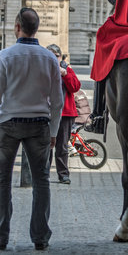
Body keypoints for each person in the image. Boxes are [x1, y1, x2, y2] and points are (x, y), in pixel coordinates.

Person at [0, 8, 63, 251]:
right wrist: (55, 132)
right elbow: (57, 101)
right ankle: (40, 237)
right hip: (39, 124)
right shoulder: (49, 58)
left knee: (3, 181)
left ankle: (2, 236)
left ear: (17, 27)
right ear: (36, 28)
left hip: (8, 122)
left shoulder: (5, 56)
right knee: (42, 182)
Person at [47, 44, 81, 184]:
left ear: (60, 57)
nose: (54, 58)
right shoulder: (43, 69)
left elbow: (75, 87)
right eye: (51, 55)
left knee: (61, 147)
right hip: (47, 113)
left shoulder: (66, 69)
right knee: (46, 146)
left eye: (56, 55)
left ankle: (63, 175)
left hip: (65, 113)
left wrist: (65, 74)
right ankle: (43, 174)